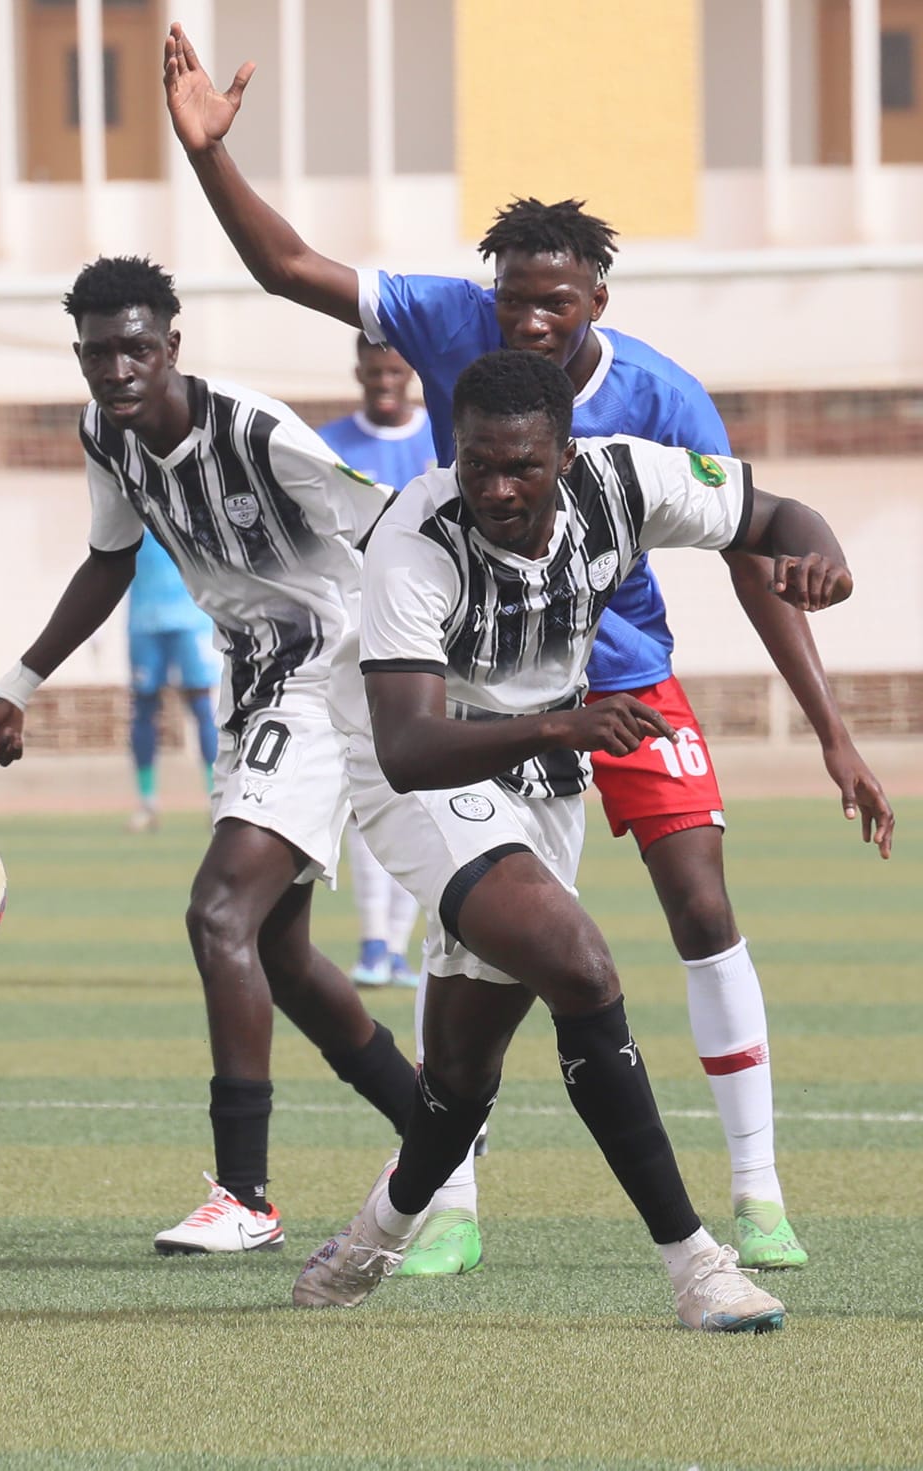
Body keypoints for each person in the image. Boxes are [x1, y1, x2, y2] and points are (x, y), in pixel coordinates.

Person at [163, 23, 895, 1275]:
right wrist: (209, 162)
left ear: (596, 304)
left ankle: (756, 1191)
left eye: (553, 302)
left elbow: (754, 543)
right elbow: (286, 266)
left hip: (615, 675)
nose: (528, 322)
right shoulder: (447, 343)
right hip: (469, 692)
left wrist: (829, 725)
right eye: (512, 301)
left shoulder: (655, 407)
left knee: (697, 907)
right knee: (520, 957)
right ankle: (520, 1225)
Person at [292, 349, 851, 1332]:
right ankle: (695, 1267)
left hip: (541, 771)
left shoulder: (626, 478)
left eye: (521, 466)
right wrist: (561, 725)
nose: (496, 488)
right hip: (419, 772)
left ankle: (376, 1229)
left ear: (565, 453)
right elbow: (411, 743)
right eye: (475, 464)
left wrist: (819, 553)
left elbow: (773, 514)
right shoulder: (414, 540)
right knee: (581, 968)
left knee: (462, 1076)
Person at [0, 255, 418, 1257]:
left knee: (216, 911)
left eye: (135, 347)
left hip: (325, 673)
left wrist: (431, 664)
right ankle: (435, 1125)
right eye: (97, 353)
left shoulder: (254, 430)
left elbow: (384, 521)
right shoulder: (104, 433)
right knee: (278, 954)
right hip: (250, 680)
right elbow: (109, 557)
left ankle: (245, 1195)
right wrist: (19, 681)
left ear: (170, 347)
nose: (116, 369)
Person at [316, 337, 432, 987]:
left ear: (410, 371)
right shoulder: (329, 442)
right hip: (351, 638)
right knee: (366, 790)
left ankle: (396, 943)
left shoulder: (438, 436)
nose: (384, 381)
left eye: (396, 369)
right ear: (357, 367)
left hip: (423, 633)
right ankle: (372, 943)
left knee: (421, 788)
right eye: (374, 369)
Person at [124, 536, 221, 832]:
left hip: (192, 618)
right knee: (143, 707)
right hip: (144, 619)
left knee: (203, 707)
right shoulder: (131, 500)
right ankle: (147, 803)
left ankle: (215, 800)